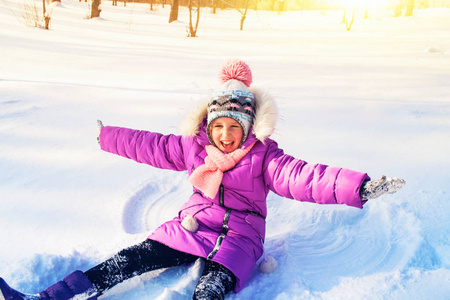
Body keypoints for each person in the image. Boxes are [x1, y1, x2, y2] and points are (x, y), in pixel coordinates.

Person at [0, 59, 405, 300]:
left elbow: (307, 177)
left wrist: (359, 186)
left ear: (249, 127)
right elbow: (150, 144)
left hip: (239, 241)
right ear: (208, 125)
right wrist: (108, 136)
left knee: (209, 291)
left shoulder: (265, 157)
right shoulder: (194, 148)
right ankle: (50, 295)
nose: (226, 134)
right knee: (128, 260)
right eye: (219, 125)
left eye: (236, 126)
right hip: (189, 227)